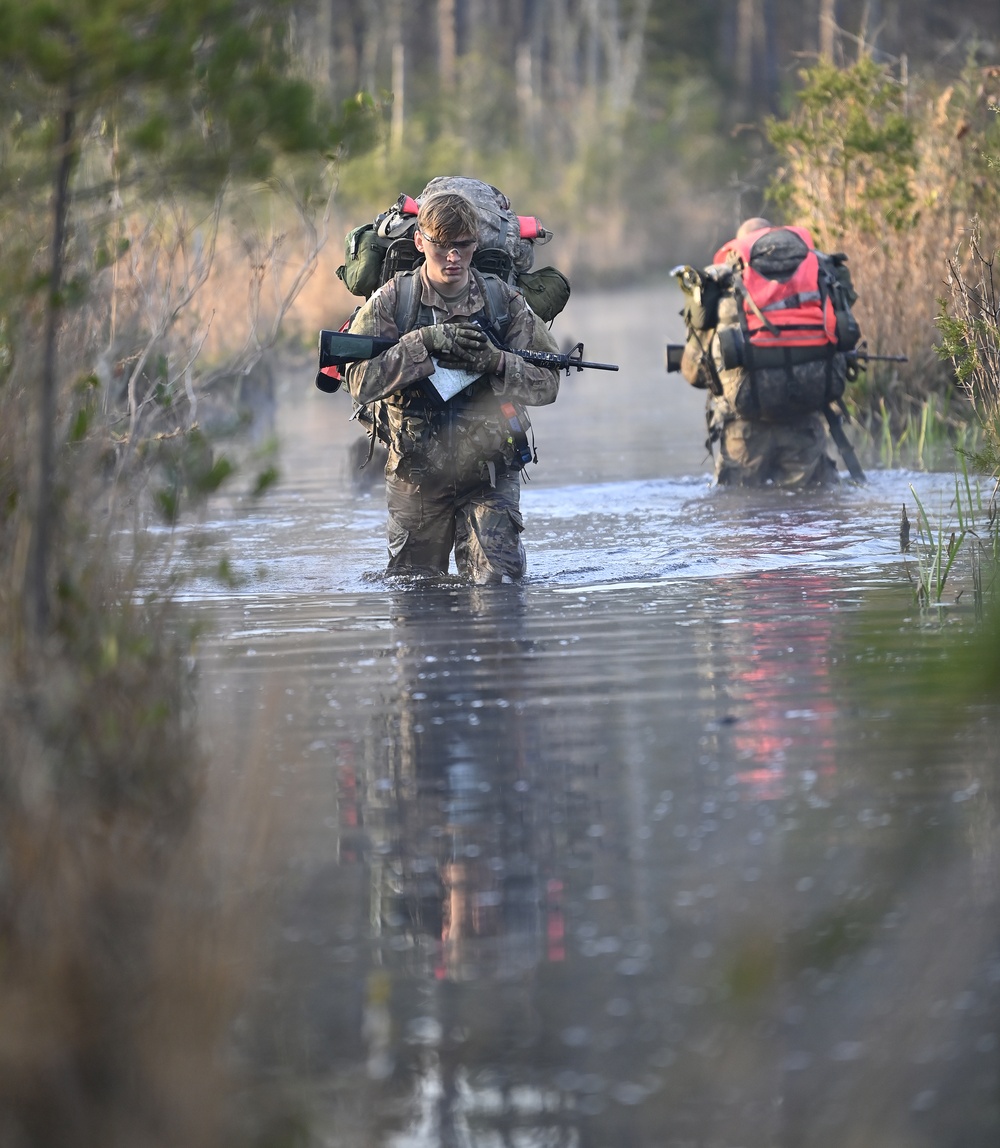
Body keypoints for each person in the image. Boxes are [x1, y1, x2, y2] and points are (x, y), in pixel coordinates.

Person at [343, 191, 560, 582]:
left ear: (475, 244)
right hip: (416, 475)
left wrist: (497, 362)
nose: (453, 258)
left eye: (462, 246)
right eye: (442, 246)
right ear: (420, 242)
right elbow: (357, 381)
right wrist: (421, 343)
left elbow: (548, 384)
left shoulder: (503, 301)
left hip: (489, 472)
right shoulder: (395, 301)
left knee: (498, 589)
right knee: (414, 593)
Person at [679, 217, 849, 489]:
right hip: (804, 425)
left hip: (744, 434)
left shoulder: (723, 282)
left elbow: (693, 372)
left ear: (739, 245)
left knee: (741, 516)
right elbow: (843, 341)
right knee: (813, 512)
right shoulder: (815, 273)